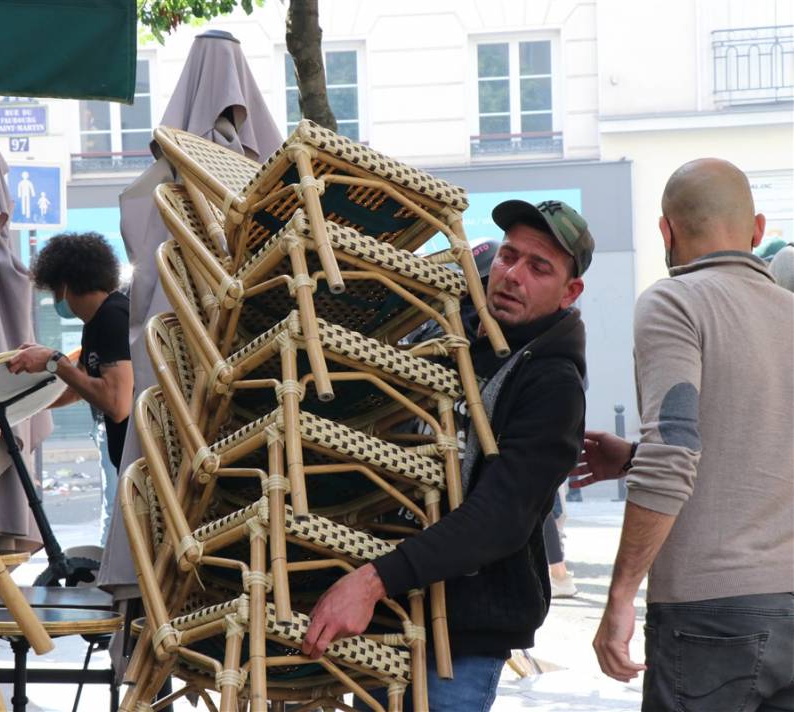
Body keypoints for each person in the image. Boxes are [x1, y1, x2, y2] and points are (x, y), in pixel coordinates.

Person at [303, 199, 595, 711]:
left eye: (539, 267)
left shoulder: (553, 383)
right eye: (509, 256)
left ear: (569, 292)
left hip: (456, 639)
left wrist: (372, 581)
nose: (512, 275)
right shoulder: (442, 331)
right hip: (382, 616)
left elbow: (499, 518)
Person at [577, 159, 794, 710]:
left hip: (710, 613)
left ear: (665, 231)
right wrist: (633, 458)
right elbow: (762, 445)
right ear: (757, 230)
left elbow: (673, 449)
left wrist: (621, 596)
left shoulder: (674, 301)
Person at [0, 232, 133, 545]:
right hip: (128, 461)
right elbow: (76, 389)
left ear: (63, 284)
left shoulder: (113, 317)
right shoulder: (96, 323)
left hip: (142, 460)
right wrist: (8, 415)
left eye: (53, 290)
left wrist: (53, 361)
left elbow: (117, 404)